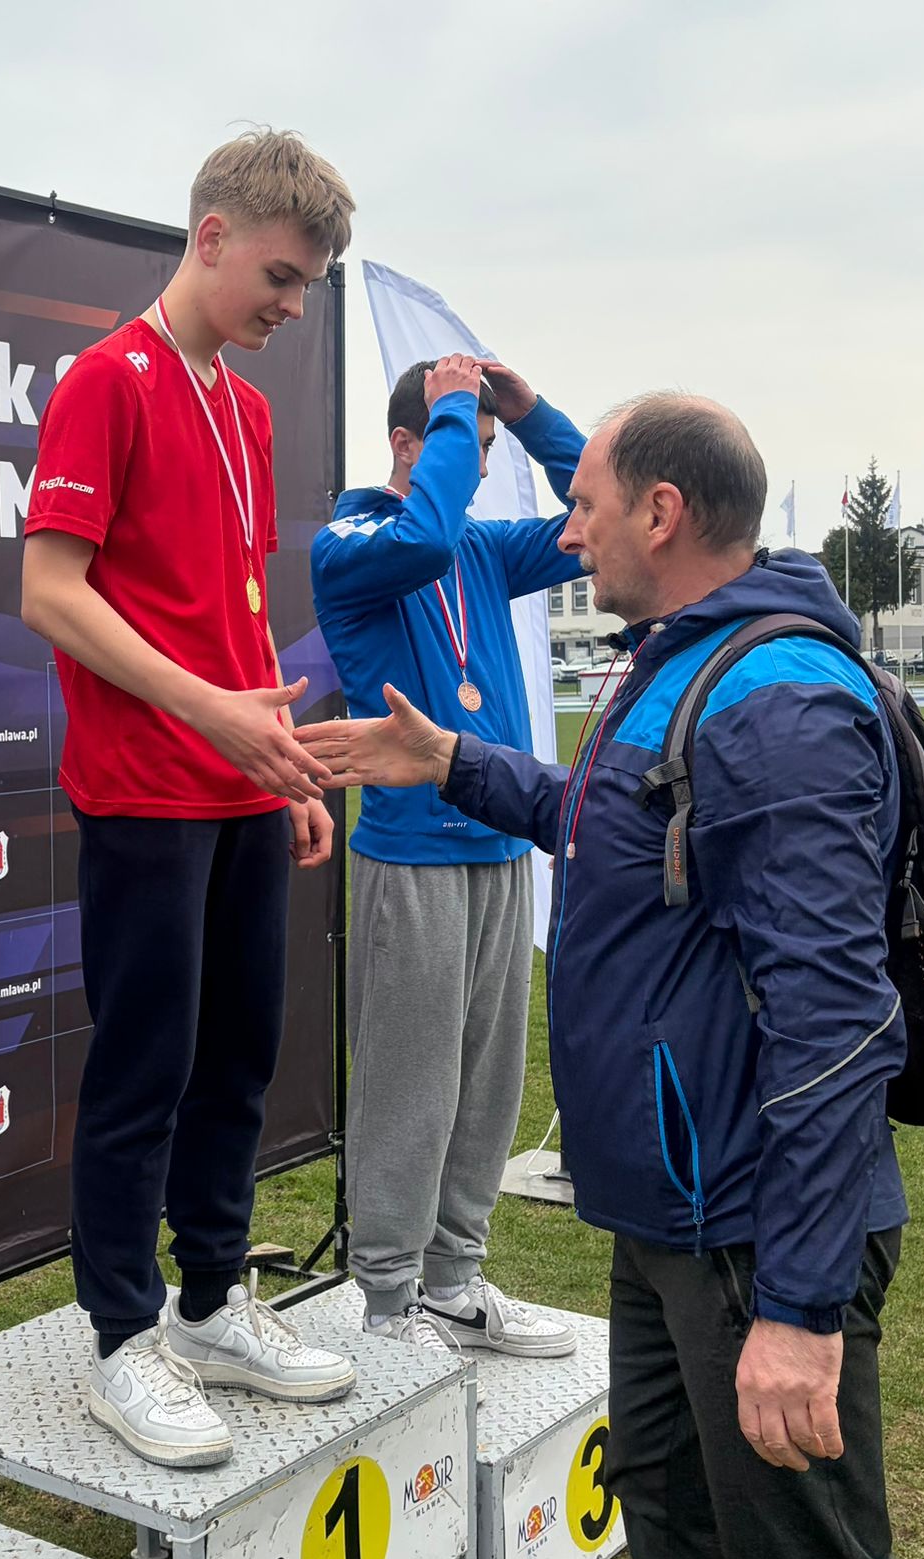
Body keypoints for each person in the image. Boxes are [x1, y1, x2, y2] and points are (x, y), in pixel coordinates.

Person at [305, 395, 924, 1559]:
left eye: (587, 498)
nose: (568, 524)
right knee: (674, 1524)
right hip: (671, 1219)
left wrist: (798, 1306)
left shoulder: (776, 702)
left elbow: (834, 1023)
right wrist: (450, 762)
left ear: (661, 512)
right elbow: (605, 828)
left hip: (757, 1241)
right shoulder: (682, 666)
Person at [20, 130, 357, 1469]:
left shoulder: (247, 408)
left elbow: (238, 605)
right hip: (143, 791)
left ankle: (212, 1302)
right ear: (210, 236)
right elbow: (51, 592)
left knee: (240, 1056)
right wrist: (208, 712)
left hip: (236, 787)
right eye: (278, 275)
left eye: (306, 285)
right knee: (145, 1065)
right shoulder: (106, 381)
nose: (291, 304)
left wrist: (275, 758)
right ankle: (121, 1335)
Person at [311, 351, 581, 1361]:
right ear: (405, 445)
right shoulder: (351, 542)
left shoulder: (484, 548)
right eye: (463, 443)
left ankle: (455, 1281)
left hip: (500, 842)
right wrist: (456, 405)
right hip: (411, 854)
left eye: (486, 446)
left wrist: (533, 415)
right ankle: (388, 1303)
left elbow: (599, 521)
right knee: (409, 1083)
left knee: (487, 1079)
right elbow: (421, 536)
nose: (478, 465)